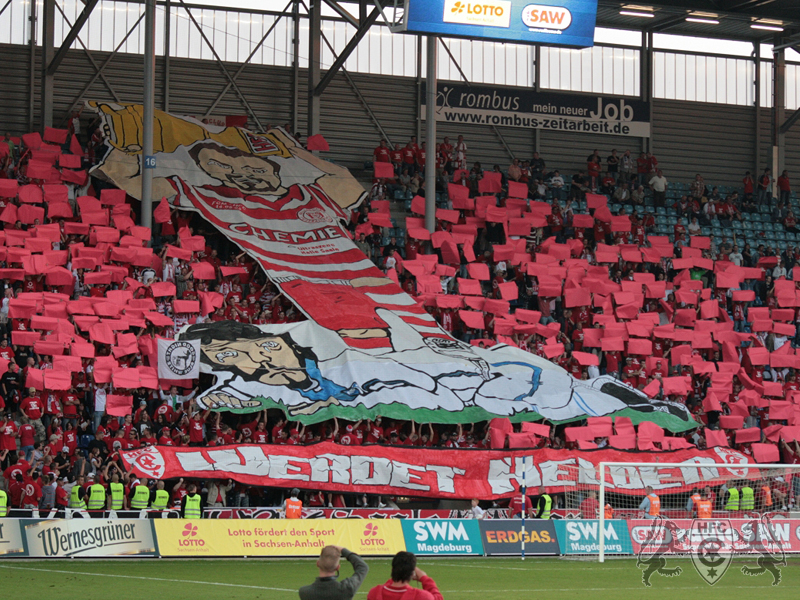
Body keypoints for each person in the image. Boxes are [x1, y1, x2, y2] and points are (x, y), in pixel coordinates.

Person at [298, 545, 369, 600]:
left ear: (318, 564)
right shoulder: (346, 588)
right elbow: (363, 567)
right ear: (338, 567)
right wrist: (343, 550)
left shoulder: (304, 592)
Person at [367, 551, 443, 600]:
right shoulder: (420, 596)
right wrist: (425, 578)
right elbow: (438, 598)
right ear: (412, 573)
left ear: (392, 570)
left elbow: (390, 586)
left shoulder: (374, 593)